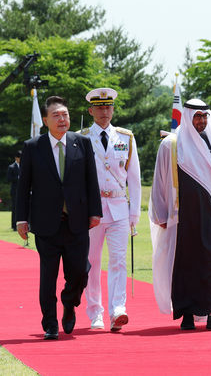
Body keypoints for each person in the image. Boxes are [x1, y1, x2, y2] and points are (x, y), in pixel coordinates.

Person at [149, 98, 211, 330]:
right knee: (186, 264)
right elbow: (160, 181)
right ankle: (187, 315)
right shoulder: (172, 144)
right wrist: (160, 213)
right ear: (188, 117)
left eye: (204, 117)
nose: (201, 121)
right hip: (183, 215)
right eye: (197, 116)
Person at [16, 95, 102, 340]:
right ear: (45, 120)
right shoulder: (33, 147)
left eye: (65, 114)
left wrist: (96, 211)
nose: (62, 119)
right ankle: (50, 324)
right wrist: (22, 219)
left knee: (80, 273)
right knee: (48, 277)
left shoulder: (82, 143)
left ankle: (69, 301)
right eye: (56, 115)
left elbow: (91, 180)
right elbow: (24, 186)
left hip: (77, 222)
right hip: (46, 224)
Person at [81, 87, 141, 332]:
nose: (104, 112)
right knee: (92, 261)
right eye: (99, 107)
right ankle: (95, 312)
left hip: (118, 207)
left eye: (108, 107)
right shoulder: (82, 137)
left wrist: (134, 214)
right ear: (91, 110)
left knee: (118, 260)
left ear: (113, 109)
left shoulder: (125, 137)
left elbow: (134, 178)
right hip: (92, 209)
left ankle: (118, 309)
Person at [6, 151, 21, 231]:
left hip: (23, 191)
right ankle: (14, 225)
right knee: (15, 208)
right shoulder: (11, 167)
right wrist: (17, 178)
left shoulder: (24, 166)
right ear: (16, 158)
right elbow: (8, 178)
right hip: (15, 190)